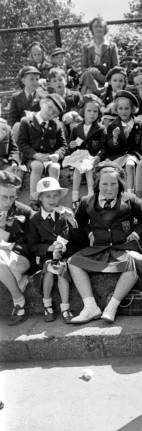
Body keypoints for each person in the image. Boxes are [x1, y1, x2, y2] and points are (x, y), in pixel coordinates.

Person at [68, 165, 142, 324]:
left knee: (134, 265)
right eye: (104, 184)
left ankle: (112, 306)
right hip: (99, 247)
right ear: (97, 185)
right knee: (72, 262)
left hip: (123, 247)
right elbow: (80, 221)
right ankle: (90, 307)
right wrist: (89, 233)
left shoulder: (129, 199)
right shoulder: (87, 202)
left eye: (113, 184)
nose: (109, 188)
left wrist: (136, 233)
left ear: (119, 184)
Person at [27, 178, 76, 323]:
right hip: (44, 257)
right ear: (40, 198)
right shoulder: (34, 219)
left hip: (62, 254)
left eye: (55, 195)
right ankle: (47, 304)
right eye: (48, 196)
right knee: (49, 266)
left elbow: (67, 234)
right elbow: (32, 246)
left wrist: (61, 245)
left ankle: (65, 307)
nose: (52, 199)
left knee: (60, 267)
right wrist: (49, 248)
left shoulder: (62, 215)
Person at [18, 93, 67, 209]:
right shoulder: (26, 121)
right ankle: (34, 200)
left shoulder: (57, 125)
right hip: (32, 158)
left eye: (55, 112)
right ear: (42, 103)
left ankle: (53, 199)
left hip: (49, 158)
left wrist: (57, 155)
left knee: (55, 167)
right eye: (49, 108)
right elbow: (22, 144)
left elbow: (63, 146)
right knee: (37, 166)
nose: (51, 112)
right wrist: (35, 155)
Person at [0, 171, 32, 325]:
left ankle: (19, 301)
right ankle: (19, 285)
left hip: (21, 257)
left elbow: (33, 243)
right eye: (4, 196)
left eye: (12, 197)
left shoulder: (24, 211)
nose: (8, 201)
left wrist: (10, 244)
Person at [96, 90, 141, 194]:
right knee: (109, 169)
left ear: (132, 109)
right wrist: (115, 138)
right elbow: (109, 146)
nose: (123, 112)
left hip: (133, 153)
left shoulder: (138, 124)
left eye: (127, 108)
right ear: (116, 109)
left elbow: (141, 142)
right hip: (118, 154)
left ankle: (130, 192)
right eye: (120, 109)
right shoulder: (113, 125)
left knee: (130, 164)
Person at [67, 94, 106, 208]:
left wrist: (98, 157)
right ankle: (75, 195)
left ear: (99, 113)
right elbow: (70, 146)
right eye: (89, 110)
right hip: (79, 159)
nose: (92, 114)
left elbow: (103, 147)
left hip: (93, 158)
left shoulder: (100, 129)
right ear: (83, 111)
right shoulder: (76, 128)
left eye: (95, 111)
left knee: (88, 168)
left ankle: (91, 193)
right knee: (78, 168)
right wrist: (72, 145)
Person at [80, 16, 119, 95]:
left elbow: (116, 67)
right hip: (91, 79)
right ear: (92, 29)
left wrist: (100, 75)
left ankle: (100, 90)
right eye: (95, 27)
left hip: (106, 79)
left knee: (88, 91)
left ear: (105, 29)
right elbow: (83, 68)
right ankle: (99, 91)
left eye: (100, 27)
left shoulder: (111, 46)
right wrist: (91, 70)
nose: (98, 29)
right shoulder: (86, 47)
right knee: (87, 81)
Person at [8, 66, 41, 133]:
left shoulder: (42, 97)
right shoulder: (16, 97)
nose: (35, 82)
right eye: (31, 79)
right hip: (20, 131)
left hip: (37, 131)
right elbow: (12, 118)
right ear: (23, 81)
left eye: (37, 79)